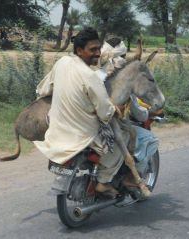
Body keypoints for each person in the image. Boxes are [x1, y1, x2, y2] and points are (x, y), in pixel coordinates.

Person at [34, 28, 127, 198]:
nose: (98, 54)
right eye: (93, 50)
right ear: (79, 50)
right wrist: (117, 109)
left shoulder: (61, 62)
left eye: (99, 49)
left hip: (57, 129)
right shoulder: (91, 77)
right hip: (83, 135)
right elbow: (105, 112)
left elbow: (44, 88)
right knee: (125, 137)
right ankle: (103, 182)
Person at [97, 37, 160, 185]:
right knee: (149, 139)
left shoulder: (94, 70)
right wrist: (148, 113)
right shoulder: (121, 79)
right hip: (107, 124)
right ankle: (130, 178)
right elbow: (139, 114)